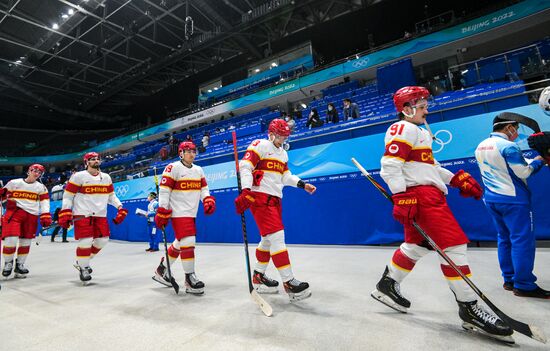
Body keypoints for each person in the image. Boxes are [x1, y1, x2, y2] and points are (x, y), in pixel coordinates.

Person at [372, 86, 513, 343]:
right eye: (422, 105)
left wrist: (455, 180)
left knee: (418, 245)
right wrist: (401, 196)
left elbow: (430, 167)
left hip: (427, 194)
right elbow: (389, 165)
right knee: (454, 245)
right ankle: (469, 307)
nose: (427, 109)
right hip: (422, 197)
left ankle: (387, 284)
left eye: (426, 104)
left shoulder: (420, 131)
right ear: (406, 109)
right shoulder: (404, 128)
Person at [235, 119, 317, 301]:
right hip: (260, 198)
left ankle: (258, 276)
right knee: (277, 237)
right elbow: (245, 166)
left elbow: (285, 176)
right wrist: (246, 190)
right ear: (271, 134)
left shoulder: (283, 154)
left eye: (285, 136)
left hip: (276, 199)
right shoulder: (261, 145)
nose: (282, 139)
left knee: (267, 240)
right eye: (279, 136)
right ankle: (289, 282)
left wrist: (302, 185)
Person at [475, 113, 549, 298]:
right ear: (509, 128)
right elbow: (523, 172)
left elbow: (505, 169)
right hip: (514, 201)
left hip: (492, 199)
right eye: (516, 129)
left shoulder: (481, 145)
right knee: (522, 241)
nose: (517, 133)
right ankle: (524, 284)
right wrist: (539, 161)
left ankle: (509, 279)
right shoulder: (509, 146)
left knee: (504, 238)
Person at [153, 141, 216, 294]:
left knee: (180, 243)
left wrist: (207, 199)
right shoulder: (173, 168)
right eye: (188, 151)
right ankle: (189, 278)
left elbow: (204, 188)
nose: (191, 153)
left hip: (191, 212)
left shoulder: (199, 170)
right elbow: (164, 190)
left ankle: (162, 270)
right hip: (178, 212)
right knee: (188, 241)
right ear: (180, 153)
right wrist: (162, 209)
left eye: (194, 151)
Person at [58, 152, 128, 283]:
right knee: (86, 241)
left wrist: (120, 207)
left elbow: (111, 195)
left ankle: (83, 261)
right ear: (86, 162)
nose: (96, 161)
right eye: (92, 159)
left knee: (103, 240)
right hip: (83, 214)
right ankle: (84, 268)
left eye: (97, 159)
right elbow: (68, 196)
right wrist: (66, 211)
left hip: (100, 215)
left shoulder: (106, 177)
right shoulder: (78, 176)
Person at [1, 164, 51, 278]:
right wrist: (3, 194)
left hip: (31, 216)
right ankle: (8, 263)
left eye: (40, 172)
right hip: (14, 213)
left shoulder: (41, 188)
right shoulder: (14, 183)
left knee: (26, 242)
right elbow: (3, 196)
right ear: (29, 171)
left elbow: (45, 202)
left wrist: (45, 214)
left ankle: (20, 265)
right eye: (35, 170)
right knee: (10, 240)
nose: (37, 173)